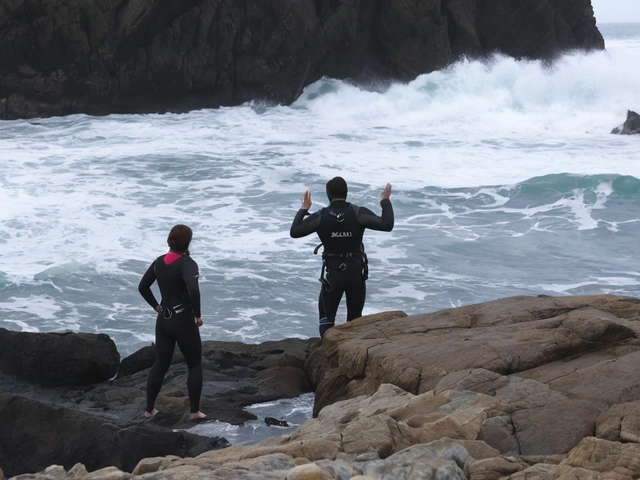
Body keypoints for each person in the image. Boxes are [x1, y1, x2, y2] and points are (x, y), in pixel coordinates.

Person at [290, 177, 394, 337]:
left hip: (333, 275)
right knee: (355, 320)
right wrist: (385, 200)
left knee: (326, 319)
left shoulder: (320, 216)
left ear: (328, 194)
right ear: (346, 193)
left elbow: (295, 231)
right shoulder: (358, 213)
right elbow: (387, 225)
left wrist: (304, 208)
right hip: (355, 274)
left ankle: (327, 352)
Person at [138, 224, 206, 421]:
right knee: (194, 364)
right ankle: (194, 412)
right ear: (188, 242)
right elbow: (193, 291)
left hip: (164, 319)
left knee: (160, 364)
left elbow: (143, 287)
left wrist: (156, 307)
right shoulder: (188, 264)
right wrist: (198, 315)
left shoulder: (159, 262)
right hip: (183, 320)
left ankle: (149, 409)